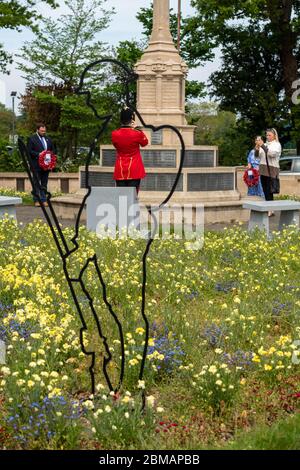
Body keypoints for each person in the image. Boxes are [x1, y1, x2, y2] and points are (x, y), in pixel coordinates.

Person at [112, 108, 148, 194]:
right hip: (134, 169)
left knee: (121, 197)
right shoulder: (137, 133)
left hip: (120, 169)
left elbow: (116, 146)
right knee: (133, 197)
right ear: (132, 119)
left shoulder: (114, 134)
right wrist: (137, 129)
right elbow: (145, 143)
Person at [27, 123, 55, 207]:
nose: (43, 132)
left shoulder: (48, 139)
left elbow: (53, 150)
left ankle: (44, 200)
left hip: (46, 166)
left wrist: (51, 155)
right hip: (36, 165)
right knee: (36, 183)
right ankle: (36, 200)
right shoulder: (32, 139)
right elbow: (29, 151)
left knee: (44, 183)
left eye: (44, 131)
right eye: (42, 131)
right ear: (37, 130)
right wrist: (39, 154)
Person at [256, 128, 282, 215]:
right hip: (263, 169)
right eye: (267, 135)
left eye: (269, 135)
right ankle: (269, 209)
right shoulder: (265, 144)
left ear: (274, 136)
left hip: (272, 169)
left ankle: (270, 210)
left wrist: (262, 145)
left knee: (269, 190)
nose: (267, 136)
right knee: (265, 190)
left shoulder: (276, 145)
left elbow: (271, 154)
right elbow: (257, 156)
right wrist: (257, 147)